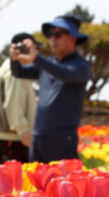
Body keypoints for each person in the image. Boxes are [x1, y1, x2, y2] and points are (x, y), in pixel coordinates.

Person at [10, 15, 91, 164]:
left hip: (62, 140)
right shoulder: (48, 64)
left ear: (73, 38)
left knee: (62, 179)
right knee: (36, 178)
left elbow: (66, 74)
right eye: (50, 34)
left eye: (58, 34)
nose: (53, 39)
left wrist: (36, 59)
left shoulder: (81, 66)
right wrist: (14, 59)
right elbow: (19, 73)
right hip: (39, 137)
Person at [0, 33, 40, 164]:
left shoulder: (9, 67)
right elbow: (14, 102)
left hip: (10, 135)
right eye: (34, 49)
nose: (36, 53)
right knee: (14, 175)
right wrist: (23, 130)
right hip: (14, 136)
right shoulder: (14, 72)